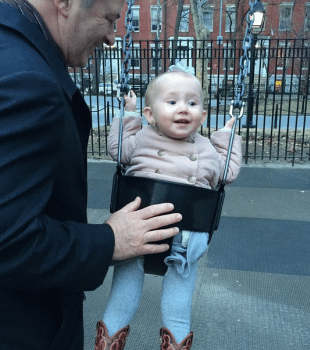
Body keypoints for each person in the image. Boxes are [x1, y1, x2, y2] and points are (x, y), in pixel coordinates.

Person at [0, 0, 182, 349]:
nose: (114, 38)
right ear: (66, 3)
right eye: (110, 20)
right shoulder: (27, 80)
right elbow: (8, 239)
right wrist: (109, 240)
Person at [101, 67, 242, 350]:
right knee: (122, 295)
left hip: (185, 239)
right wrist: (128, 115)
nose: (183, 109)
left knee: (178, 306)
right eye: (172, 101)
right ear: (150, 114)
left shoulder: (206, 149)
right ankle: (107, 344)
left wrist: (227, 135)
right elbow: (118, 150)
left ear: (202, 117)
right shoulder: (141, 137)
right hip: (138, 230)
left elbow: (227, 172)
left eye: (192, 103)